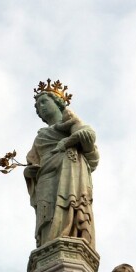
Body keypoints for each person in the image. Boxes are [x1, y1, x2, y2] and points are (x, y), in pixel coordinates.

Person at [24, 80, 99, 249]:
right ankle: (47, 247)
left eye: (44, 102)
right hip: (46, 180)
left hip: (71, 171)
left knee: (72, 206)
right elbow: (34, 162)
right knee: (47, 217)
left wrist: (68, 143)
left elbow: (91, 151)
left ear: (57, 103)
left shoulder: (71, 122)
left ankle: (72, 241)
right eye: (37, 107)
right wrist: (30, 172)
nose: (41, 108)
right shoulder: (40, 137)